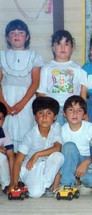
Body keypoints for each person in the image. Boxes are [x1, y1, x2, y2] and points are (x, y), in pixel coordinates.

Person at [0, 19, 44, 151]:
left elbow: (35, 82)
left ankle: (22, 164)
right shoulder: (2, 55)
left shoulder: (34, 56)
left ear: (27, 37)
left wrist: (21, 104)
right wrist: (3, 104)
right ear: (8, 38)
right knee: (6, 129)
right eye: (12, 33)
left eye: (20, 32)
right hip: (5, 97)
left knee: (25, 129)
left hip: (26, 98)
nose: (16, 36)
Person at [9, 97, 64, 198]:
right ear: (35, 117)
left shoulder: (56, 128)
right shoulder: (30, 135)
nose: (44, 117)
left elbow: (58, 148)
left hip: (46, 165)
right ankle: (40, 185)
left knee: (58, 156)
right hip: (30, 168)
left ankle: (47, 185)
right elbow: (18, 161)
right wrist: (14, 183)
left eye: (49, 113)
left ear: (55, 117)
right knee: (36, 194)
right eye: (40, 113)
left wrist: (37, 154)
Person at [37, 30, 87, 126]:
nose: (63, 47)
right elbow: (41, 94)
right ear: (53, 47)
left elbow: (83, 93)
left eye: (67, 44)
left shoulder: (78, 69)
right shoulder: (46, 68)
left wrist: (84, 111)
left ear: (71, 48)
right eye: (59, 44)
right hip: (52, 109)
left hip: (72, 110)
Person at [59, 95, 92, 195]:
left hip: (89, 161)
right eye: (71, 110)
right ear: (64, 113)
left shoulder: (90, 128)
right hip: (69, 161)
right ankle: (67, 185)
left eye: (79, 110)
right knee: (69, 146)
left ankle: (80, 181)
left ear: (84, 115)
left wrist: (85, 163)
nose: (75, 113)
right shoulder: (62, 130)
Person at [0, 102, 15, 193]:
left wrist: (13, 182)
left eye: (0, 118)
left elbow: (11, 155)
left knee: (2, 157)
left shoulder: (4, 132)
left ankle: (6, 185)